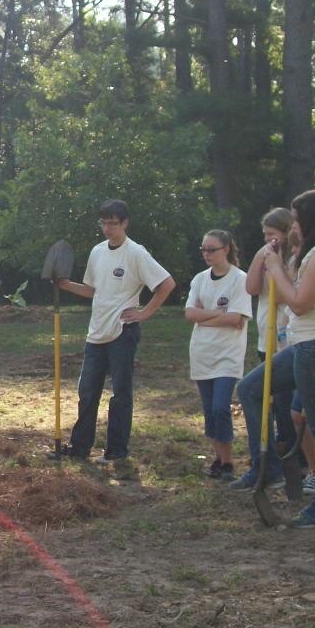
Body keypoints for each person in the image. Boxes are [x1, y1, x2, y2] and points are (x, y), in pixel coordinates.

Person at [240, 190, 315, 529]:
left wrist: (274, 267)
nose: (293, 228)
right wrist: (278, 264)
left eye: (297, 220)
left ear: (312, 220)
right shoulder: (314, 253)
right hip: (306, 344)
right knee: (250, 389)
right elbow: (297, 296)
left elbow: (299, 303)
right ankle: (269, 467)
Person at [57, 200, 176, 463]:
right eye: (104, 223)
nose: (108, 229)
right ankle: (79, 448)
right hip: (96, 332)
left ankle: (116, 452)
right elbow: (92, 290)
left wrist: (144, 313)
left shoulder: (136, 253)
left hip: (123, 332)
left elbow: (166, 284)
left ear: (125, 223)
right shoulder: (98, 252)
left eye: (113, 223)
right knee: (87, 392)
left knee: (120, 394)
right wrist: (65, 285)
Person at [232, 208, 298, 490]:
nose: (268, 239)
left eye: (272, 234)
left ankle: (291, 463)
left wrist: (276, 266)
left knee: (286, 409)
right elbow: (251, 287)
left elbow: (287, 294)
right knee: (265, 402)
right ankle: (265, 463)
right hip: (266, 339)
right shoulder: (266, 256)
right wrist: (261, 257)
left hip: (288, 341)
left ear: (286, 233)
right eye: (264, 235)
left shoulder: (296, 259)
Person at [183, 230, 251, 480]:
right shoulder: (199, 279)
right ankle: (219, 459)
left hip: (227, 354)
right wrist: (218, 315)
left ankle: (229, 461)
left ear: (226, 249)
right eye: (203, 249)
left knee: (221, 407)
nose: (206, 254)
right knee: (209, 410)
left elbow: (236, 319)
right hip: (202, 352)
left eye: (212, 249)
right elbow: (189, 314)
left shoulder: (239, 279)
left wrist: (206, 316)